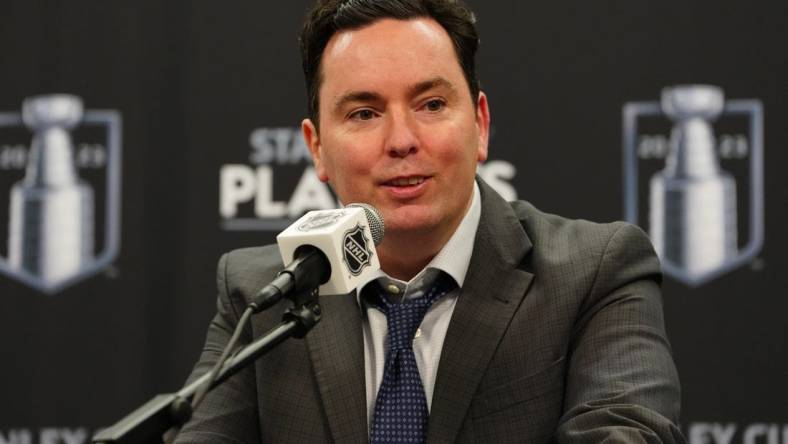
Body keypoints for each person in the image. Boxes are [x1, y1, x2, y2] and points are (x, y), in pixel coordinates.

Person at [176, 0, 684, 442]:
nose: (401, 139)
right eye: (363, 113)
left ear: (480, 126)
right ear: (317, 149)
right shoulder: (261, 294)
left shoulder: (595, 272)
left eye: (432, 104)